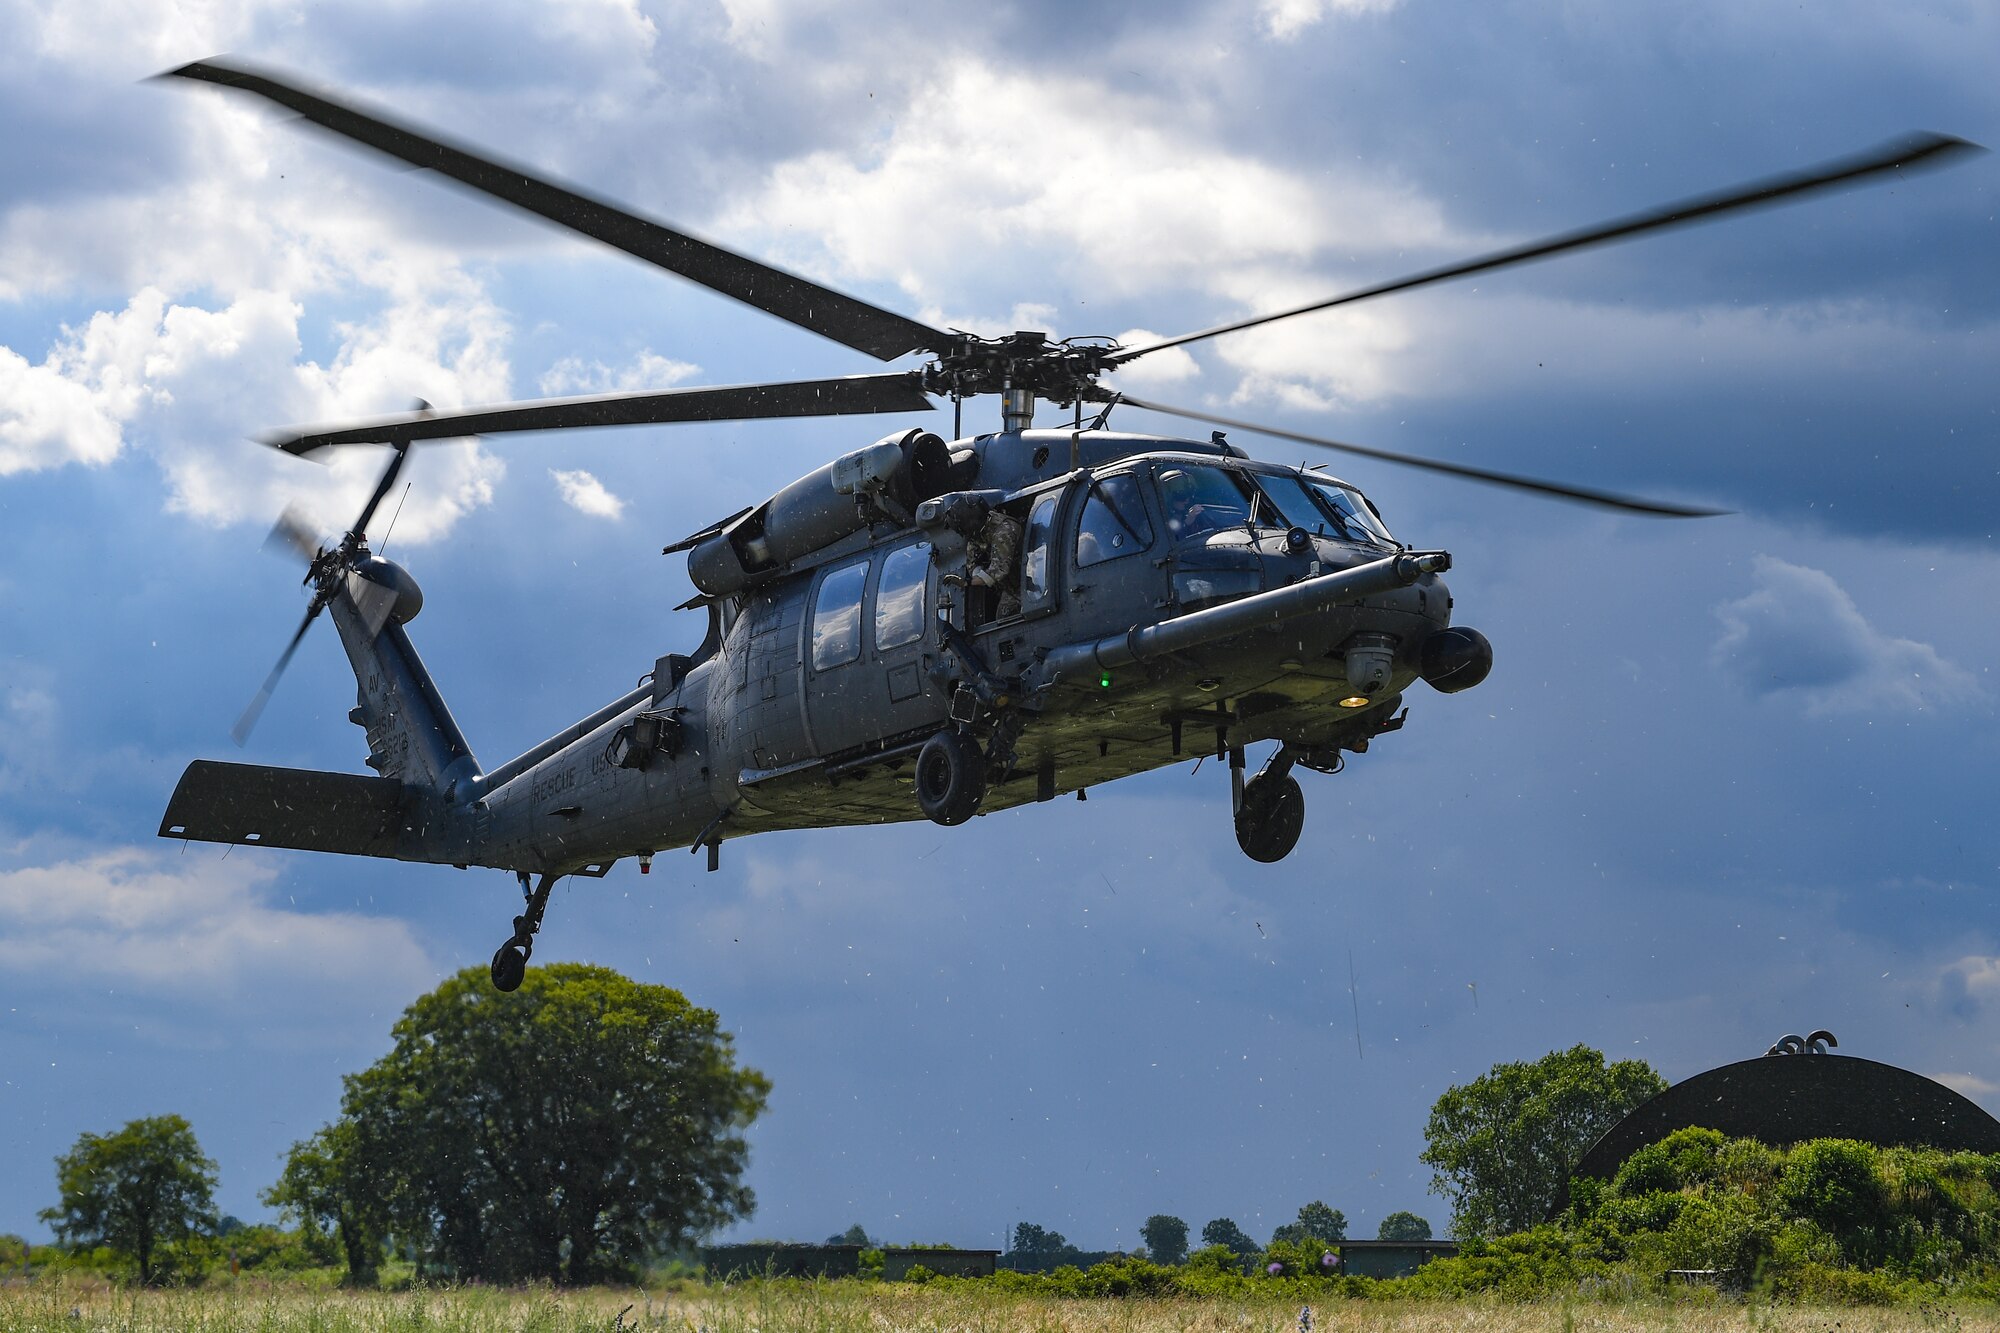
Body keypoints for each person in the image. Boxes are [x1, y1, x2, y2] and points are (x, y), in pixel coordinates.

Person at [942, 508, 1023, 622]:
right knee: (1003, 617)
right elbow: (972, 562)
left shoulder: (1003, 531)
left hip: (1029, 582)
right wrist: (977, 574)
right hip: (1012, 588)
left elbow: (998, 571)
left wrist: (967, 582)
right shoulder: (978, 533)